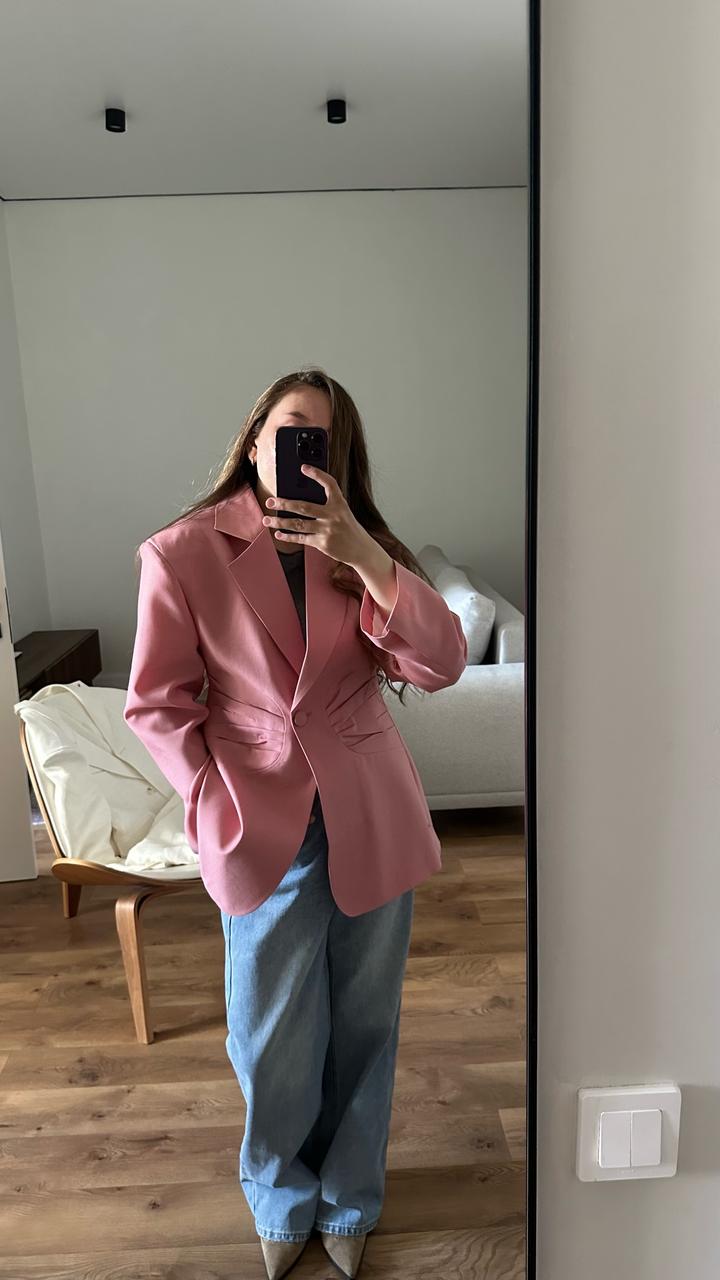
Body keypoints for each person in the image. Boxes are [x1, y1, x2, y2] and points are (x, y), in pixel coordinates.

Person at [124, 366, 467, 1279]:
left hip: (370, 804)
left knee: (365, 1020)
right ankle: (279, 1192)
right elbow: (157, 704)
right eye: (288, 429)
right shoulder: (183, 552)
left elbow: (442, 663)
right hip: (257, 811)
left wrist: (369, 559)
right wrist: (209, 800)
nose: (301, 450)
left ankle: (351, 1195)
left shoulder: (361, 549)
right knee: (268, 1030)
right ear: (252, 442)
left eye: (323, 437)